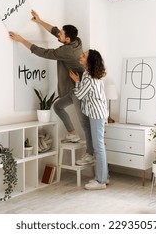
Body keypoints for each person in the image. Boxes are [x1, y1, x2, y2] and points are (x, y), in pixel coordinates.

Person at [8, 10, 94, 165]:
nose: (58, 35)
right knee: (58, 106)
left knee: (84, 122)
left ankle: (90, 153)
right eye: (60, 33)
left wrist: (21, 39)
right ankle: (72, 134)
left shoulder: (66, 51)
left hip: (80, 88)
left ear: (67, 39)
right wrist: (39, 21)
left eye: (61, 34)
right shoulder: (76, 41)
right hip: (75, 87)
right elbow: (55, 31)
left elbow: (43, 52)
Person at [69, 49, 109, 190]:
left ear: (89, 61)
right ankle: (103, 177)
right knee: (99, 147)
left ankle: (101, 181)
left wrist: (77, 81)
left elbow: (79, 95)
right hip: (97, 113)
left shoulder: (90, 79)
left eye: (83, 55)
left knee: (98, 147)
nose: (81, 56)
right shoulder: (89, 74)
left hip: (96, 114)